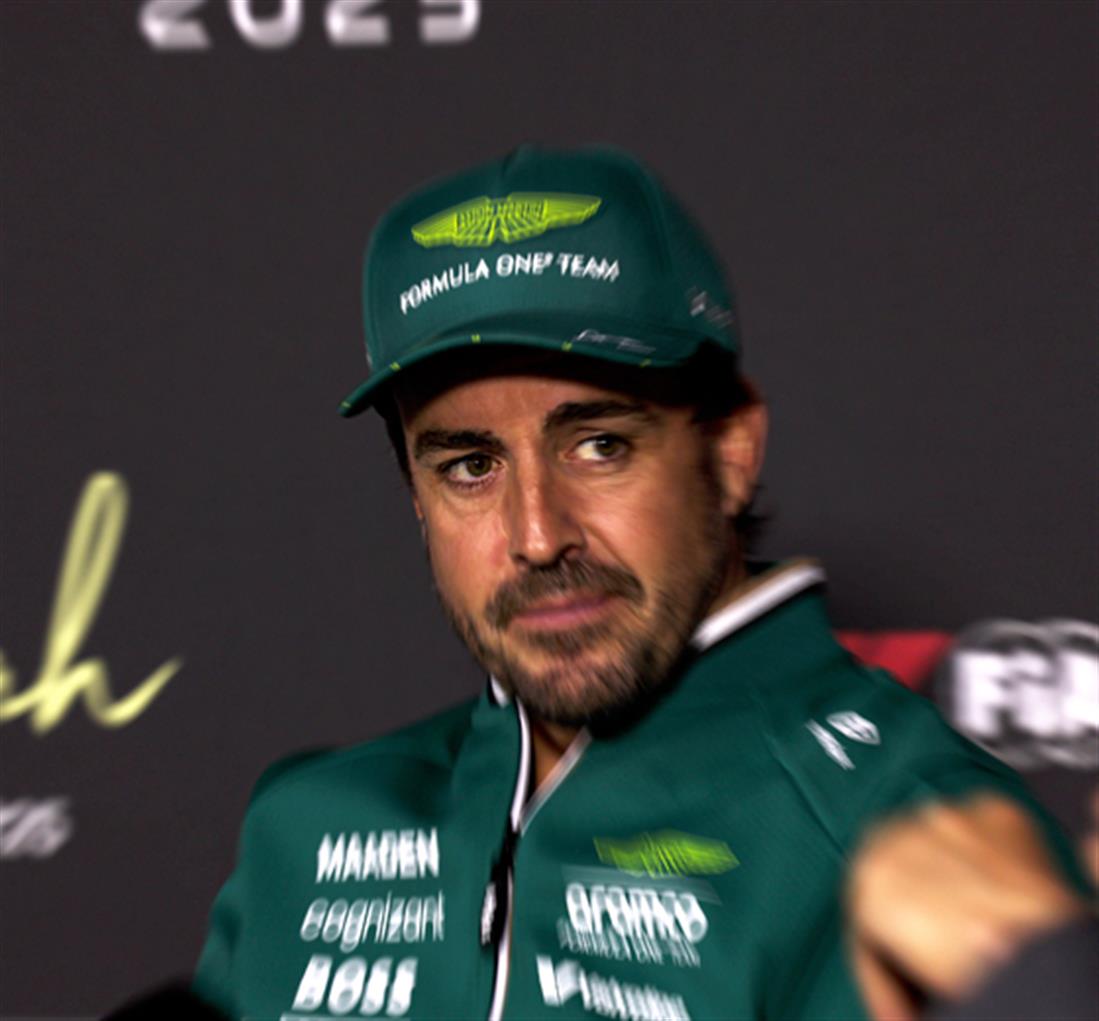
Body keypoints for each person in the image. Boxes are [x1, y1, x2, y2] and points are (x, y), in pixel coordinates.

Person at [192, 145, 1092, 1021]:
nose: (537, 535)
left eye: (599, 445)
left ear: (729, 450)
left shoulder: (901, 834)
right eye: (470, 466)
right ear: (415, 496)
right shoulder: (306, 827)